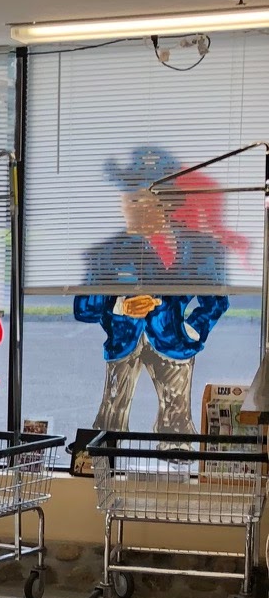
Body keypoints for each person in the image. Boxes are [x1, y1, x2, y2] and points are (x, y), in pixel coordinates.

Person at [74, 144, 243, 434]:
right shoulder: (105, 253)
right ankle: (102, 468)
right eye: (125, 199)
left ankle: (176, 467)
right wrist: (120, 307)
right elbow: (83, 307)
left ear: (163, 202)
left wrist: (192, 329)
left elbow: (216, 301)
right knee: (109, 420)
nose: (127, 208)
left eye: (137, 200)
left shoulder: (202, 248)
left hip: (174, 343)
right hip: (123, 342)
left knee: (176, 424)